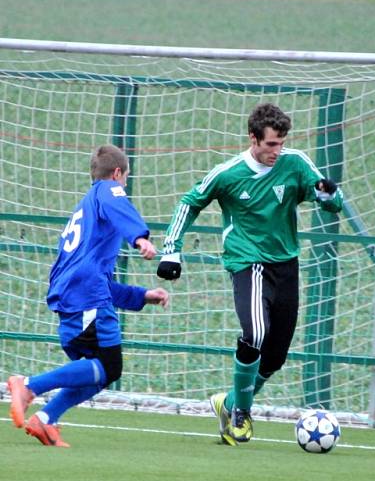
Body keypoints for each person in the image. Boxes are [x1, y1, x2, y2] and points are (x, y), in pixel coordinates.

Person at [157, 102, 343, 446]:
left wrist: (329, 196)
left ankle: (228, 402)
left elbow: (329, 199)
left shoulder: (296, 163)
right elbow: (189, 202)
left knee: (275, 356)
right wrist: (171, 251)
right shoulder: (228, 173)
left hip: (286, 264)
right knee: (256, 332)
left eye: (282, 143)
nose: (278, 151)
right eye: (271, 144)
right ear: (253, 139)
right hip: (247, 262)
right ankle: (240, 415)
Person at [7, 144, 169, 447]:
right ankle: (28, 386)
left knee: (99, 372)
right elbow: (117, 203)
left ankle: (44, 419)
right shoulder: (108, 190)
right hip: (85, 296)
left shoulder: (85, 210)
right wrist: (140, 238)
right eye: (124, 179)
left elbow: (99, 278)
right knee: (109, 367)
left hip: (75, 293)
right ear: (118, 173)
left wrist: (142, 295)